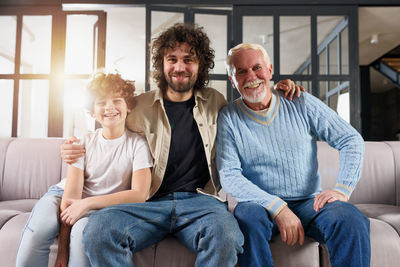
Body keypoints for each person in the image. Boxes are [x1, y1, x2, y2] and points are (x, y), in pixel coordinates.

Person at [61, 24, 303, 266]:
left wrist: (278, 92)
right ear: (162, 64)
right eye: (172, 59)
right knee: (98, 232)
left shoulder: (215, 102)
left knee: (227, 237)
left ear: (200, 65)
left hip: (201, 203)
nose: (180, 67)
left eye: (188, 59)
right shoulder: (139, 105)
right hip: (149, 203)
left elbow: (252, 112)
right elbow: (111, 128)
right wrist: (72, 146)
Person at [216, 43, 370, 267]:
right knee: (246, 218)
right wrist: (278, 207)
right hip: (258, 205)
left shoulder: (300, 101)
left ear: (269, 70)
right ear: (233, 80)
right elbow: (229, 175)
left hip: (309, 202)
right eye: (241, 71)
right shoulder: (228, 118)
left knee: (350, 219)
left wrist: (342, 189)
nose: (251, 76)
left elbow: (351, 139)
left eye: (257, 67)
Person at [15, 72, 153, 267]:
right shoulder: (82, 143)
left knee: (82, 235)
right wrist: (62, 252)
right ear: (92, 112)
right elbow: (70, 200)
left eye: (117, 100)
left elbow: (139, 194)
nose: (110, 107)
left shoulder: (138, 145)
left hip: (94, 205)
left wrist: (88, 204)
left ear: (128, 106)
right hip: (63, 196)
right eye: (101, 102)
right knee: (40, 228)